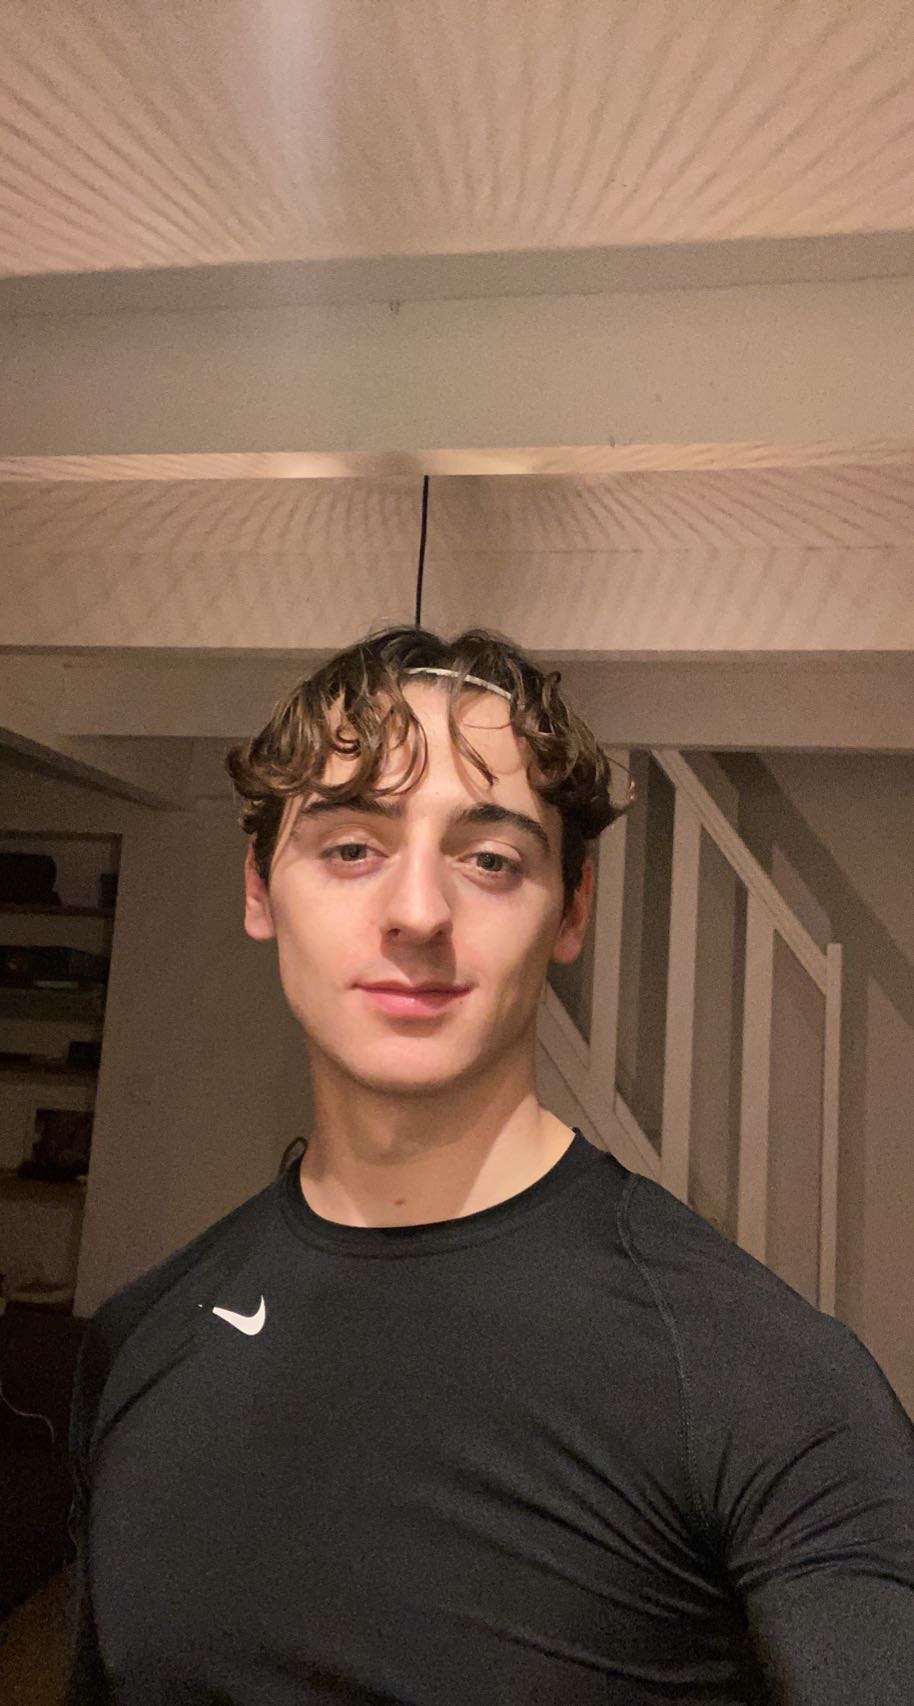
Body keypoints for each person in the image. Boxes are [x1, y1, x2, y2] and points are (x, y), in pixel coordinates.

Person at [66, 624, 914, 1703]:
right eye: (351, 847)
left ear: (570, 909)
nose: (418, 912)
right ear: (259, 889)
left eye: (490, 859)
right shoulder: (140, 1338)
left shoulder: (762, 1379)